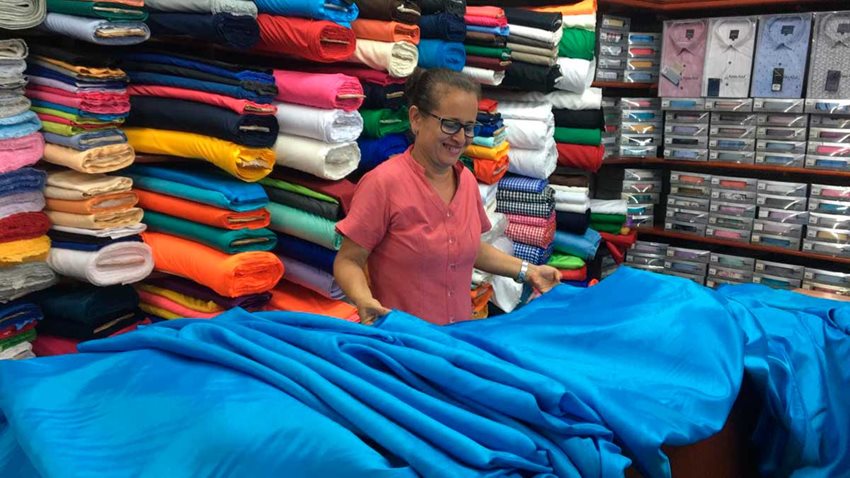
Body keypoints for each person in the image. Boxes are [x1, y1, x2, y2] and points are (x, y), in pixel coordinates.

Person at [335, 68, 561, 325]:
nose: (461, 138)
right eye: (451, 124)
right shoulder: (383, 184)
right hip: (404, 340)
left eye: (469, 127)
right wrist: (363, 299)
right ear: (416, 119)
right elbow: (348, 261)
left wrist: (529, 271)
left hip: (457, 338)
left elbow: (466, 248)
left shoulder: (466, 181)